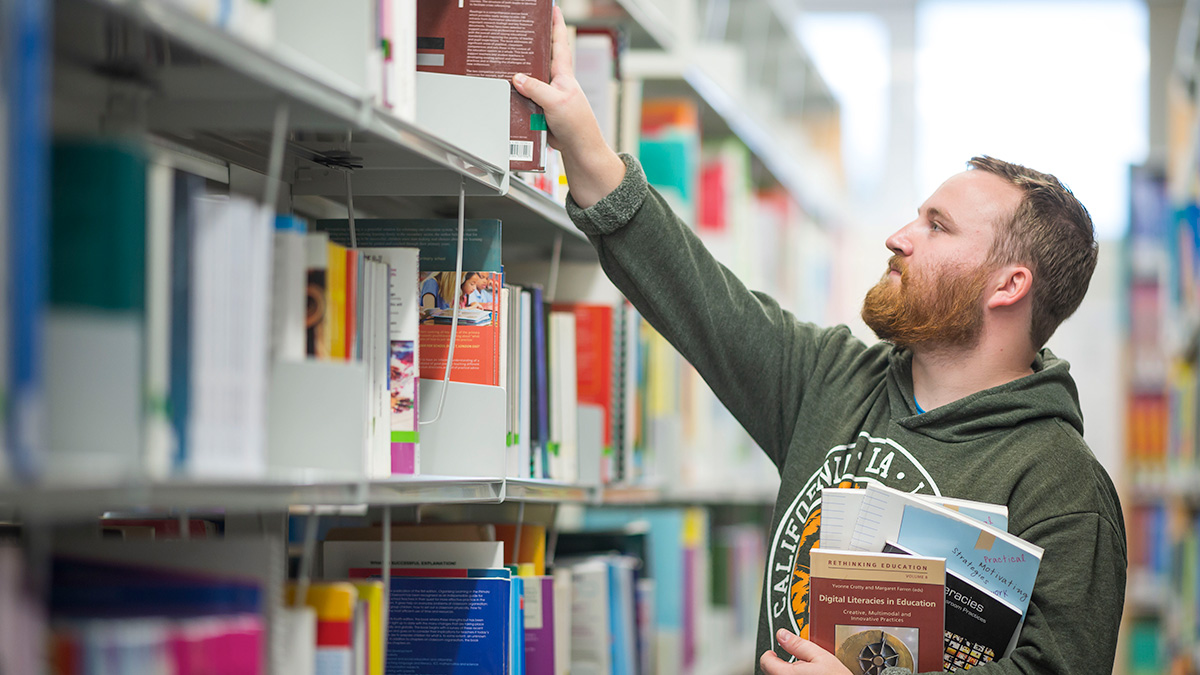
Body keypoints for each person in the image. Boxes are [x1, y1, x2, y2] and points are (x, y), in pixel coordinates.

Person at [512, 7, 1125, 675]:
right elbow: (699, 297)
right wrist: (581, 136)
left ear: (1008, 284)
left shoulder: (1064, 482)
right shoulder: (830, 383)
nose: (898, 236)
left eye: (937, 226)